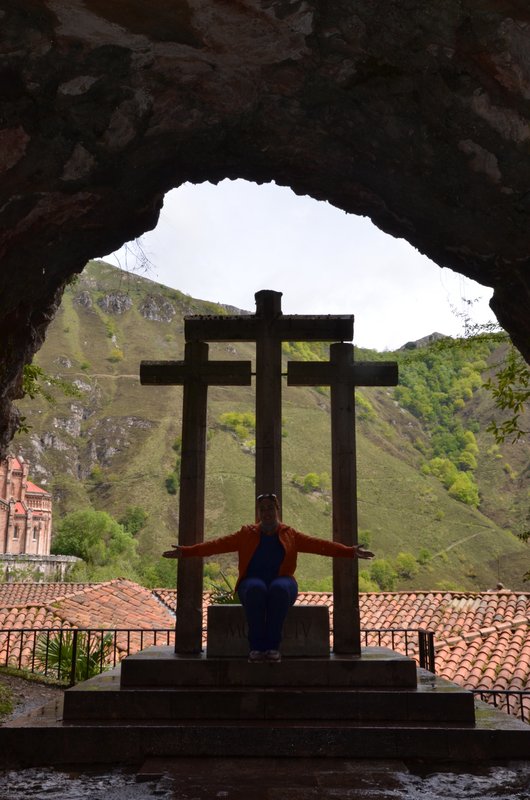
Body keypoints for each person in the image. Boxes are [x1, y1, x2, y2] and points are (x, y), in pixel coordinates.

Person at [163, 493, 374, 662]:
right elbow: (215, 545)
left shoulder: (290, 534)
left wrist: (349, 551)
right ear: (258, 513)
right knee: (257, 590)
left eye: (270, 508)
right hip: (252, 582)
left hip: (283, 580)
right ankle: (256, 648)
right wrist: (186, 551)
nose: (266, 512)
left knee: (278, 590)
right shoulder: (246, 534)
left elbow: (320, 545)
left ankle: (273, 647)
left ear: (277, 510)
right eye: (262, 509)